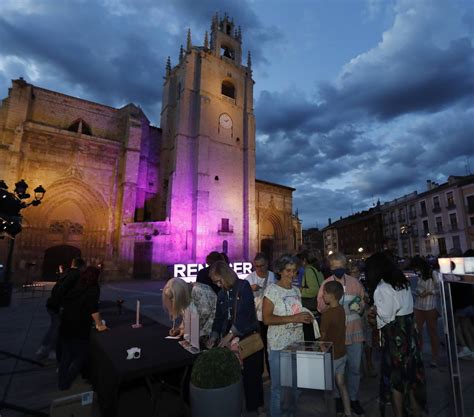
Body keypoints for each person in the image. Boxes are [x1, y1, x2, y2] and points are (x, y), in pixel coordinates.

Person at [366, 252, 426, 417]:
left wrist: (373, 312)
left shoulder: (382, 288)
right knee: (412, 376)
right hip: (410, 335)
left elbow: (386, 317)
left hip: (396, 338)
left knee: (396, 379)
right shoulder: (402, 283)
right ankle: (417, 411)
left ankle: (399, 413)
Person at [208, 261, 265, 417]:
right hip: (230, 340)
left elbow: (245, 315)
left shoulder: (243, 286)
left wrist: (229, 335)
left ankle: (258, 407)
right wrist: (214, 335)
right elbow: (218, 317)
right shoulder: (221, 294)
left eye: (219, 281)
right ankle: (237, 406)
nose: (219, 285)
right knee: (234, 376)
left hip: (247, 337)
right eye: (215, 282)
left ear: (226, 276)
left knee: (252, 375)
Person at [262, 254, 313, 417]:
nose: (292, 274)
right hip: (278, 346)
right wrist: (294, 318)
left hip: (296, 343)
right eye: (288, 271)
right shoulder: (272, 290)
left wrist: (306, 316)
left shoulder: (296, 291)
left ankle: (290, 413)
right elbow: (266, 318)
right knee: (279, 388)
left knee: (294, 386)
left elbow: (296, 312)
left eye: (295, 271)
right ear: (280, 271)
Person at [317, 252, 365, 416]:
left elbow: (363, 301)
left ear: (345, 266)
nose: (337, 270)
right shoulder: (326, 285)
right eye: (334, 267)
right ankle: (338, 399)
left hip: (354, 332)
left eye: (340, 266)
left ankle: (353, 399)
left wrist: (360, 306)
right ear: (330, 268)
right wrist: (331, 303)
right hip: (336, 337)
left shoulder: (354, 283)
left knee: (354, 369)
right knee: (338, 371)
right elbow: (320, 308)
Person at [57, 266, 107, 390]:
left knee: (66, 354)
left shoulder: (76, 284)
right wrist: (100, 325)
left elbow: (63, 298)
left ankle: (62, 382)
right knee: (81, 355)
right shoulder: (94, 288)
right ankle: (68, 378)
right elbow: (93, 309)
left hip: (66, 322)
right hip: (80, 325)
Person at [36, 257, 86, 360]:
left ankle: (44, 348)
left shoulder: (66, 273)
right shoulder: (76, 275)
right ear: (82, 267)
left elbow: (57, 289)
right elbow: (63, 291)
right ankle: (52, 351)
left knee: (54, 327)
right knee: (58, 329)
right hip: (58, 305)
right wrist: (62, 305)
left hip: (52, 304)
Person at [320, 281, 352, 417]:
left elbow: (322, 338)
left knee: (328, 389)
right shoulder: (341, 310)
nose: (322, 296)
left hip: (330, 355)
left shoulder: (327, 314)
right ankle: (348, 412)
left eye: (324, 293)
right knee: (341, 384)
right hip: (341, 353)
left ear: (331, 295)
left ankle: (330, 412)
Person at [245, 252, 275, 378]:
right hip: (257, 318)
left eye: (262, 265)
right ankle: (259, 373)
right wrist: (249, 289)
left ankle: (271, 372)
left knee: (270, 346)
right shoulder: (249, 279)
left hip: (271, 316)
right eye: (257, 266)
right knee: (258, 347)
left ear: (267, 264)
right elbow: (243, 298)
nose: (260, 268)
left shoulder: (273, 276)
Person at [411, 256, 440, 367]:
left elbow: (439, 289)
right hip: (418, 306)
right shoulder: (420, 274)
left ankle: (435, 357)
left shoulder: (433, 273)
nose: (415, 270)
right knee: (417, 331)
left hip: (430, 307)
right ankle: (419, 354)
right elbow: (418, 287)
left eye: (416, 268)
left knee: (432, 332)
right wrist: (419, 291)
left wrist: (428, 292)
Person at [297, 251, 324, 341]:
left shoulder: (308, 270)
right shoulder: (317, 269)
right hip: (317, 306)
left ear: (304, 260)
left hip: (310, 307)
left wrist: (300, 291)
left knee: (310, 339)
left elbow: (314, 290)